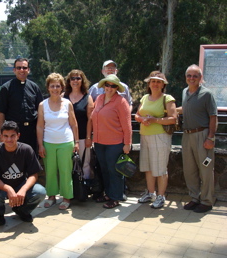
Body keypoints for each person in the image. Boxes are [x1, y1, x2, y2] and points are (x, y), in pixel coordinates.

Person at [86, 74, 132, 209]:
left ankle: (116, 197)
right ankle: (108, 193)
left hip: (115, 143)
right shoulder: (99, 98)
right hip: (100, 142)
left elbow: (127, 124)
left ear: (117, 88)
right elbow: (94, 118)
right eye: (107, 85)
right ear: (104, 86)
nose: (109, 88)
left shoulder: (121, 101)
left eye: (113, 86)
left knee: (114, 171)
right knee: (104, 169)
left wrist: (127, 143)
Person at [0, 121, 46, 225]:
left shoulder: (26, 149)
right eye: (6, 136)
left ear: (18, 136)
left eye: (12, 136)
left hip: (20, 184)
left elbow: (34, 174)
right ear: (1, 137)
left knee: (40, 192)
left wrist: (23, 190)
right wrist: (8, 189)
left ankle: (22, 210)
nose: (9, 139)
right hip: (1, 187)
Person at [178, 64, 218, 213]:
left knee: (206, 169)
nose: (192, 78)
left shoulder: (207, 94)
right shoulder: (184, 92)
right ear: (186, 77)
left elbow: (213, 117)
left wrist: (210, 138)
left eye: (195, 76)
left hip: (203, 135)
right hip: (187, 135)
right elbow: (187, 108)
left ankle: (207, 201)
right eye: (189, 75)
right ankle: (194, 198)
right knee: (190, 170)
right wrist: (170, 111)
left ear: (200, 78)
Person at [135, 71, 177, 209]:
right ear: (149, 83)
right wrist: (142, 119)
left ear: (163, 84)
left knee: (160, 168)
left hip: (160, 136)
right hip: (145, 135)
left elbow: (173, 118)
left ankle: (161, 196)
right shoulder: (145, 98)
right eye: (153, 81)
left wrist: (154, 120)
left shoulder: (168, 99)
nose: (155, 84)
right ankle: (151, 193)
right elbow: (137, 115)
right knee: (148, 167)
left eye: (158, 81)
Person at [37, 73, 79, 210]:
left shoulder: (67, 104)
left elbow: (74, 124)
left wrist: (76, 142)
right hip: (48, 142)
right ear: (48, 88)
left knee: (65, 171)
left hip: (66, 142)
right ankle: (51, 196)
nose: (55, 88)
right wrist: (40, 144)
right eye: (52, 86)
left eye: (58, 86)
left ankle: (66, 197)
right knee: (50, 171)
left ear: (62, 88)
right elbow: (40, 126)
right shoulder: (42, 105)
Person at [0, 58, 43, 152]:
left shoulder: (35, 87)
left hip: (32, 131)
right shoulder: (6, 88)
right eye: (19, 67)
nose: (21, 70)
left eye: (24, 68)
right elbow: (1, 112)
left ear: (28, 70)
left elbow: (41, 111)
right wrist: (2, 133)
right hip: (13, 132)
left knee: (32, 160)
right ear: (14, 70)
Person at [64, 69, 94, 179]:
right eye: (73, 78)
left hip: (82, 136)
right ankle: (71, 191)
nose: (75, 81)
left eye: (78, 78)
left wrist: (88, 137)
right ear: (69, 81)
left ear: (82, 81)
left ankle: (84, 189)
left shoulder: (88, 97)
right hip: (66, 137)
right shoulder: (63, 96)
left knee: (84, 164)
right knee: (68, 164)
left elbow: (90, 119)